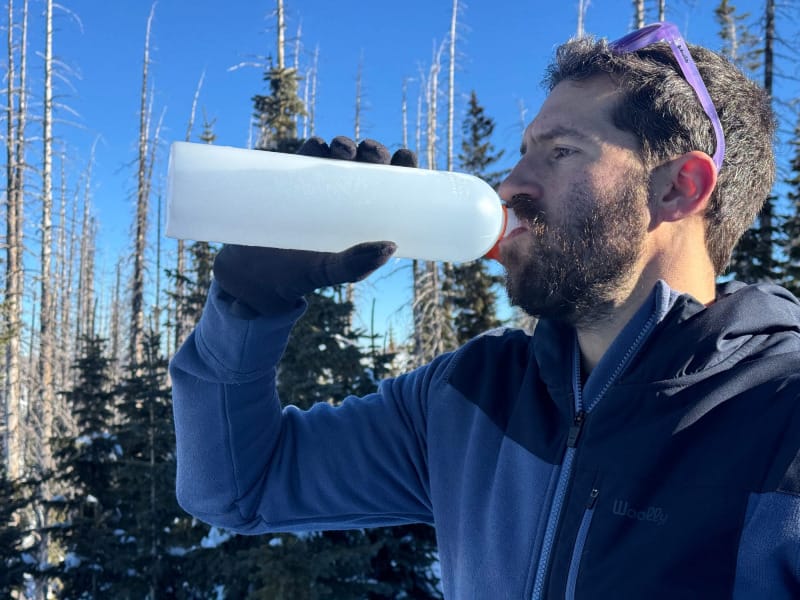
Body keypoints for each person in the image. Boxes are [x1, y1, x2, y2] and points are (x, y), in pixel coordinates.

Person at [170, 22, 800, 599]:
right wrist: (247, 306)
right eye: (524, 151)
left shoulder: (779, 421)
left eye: (560, 152)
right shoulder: (468, 399)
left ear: (677, 187)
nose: (510, 185)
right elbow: (237, 486)